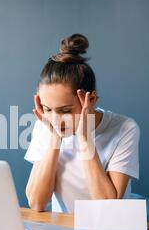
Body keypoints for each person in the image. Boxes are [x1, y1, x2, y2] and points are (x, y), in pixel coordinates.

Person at [24, 33, 140, 213]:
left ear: (91, 99)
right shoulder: (45, 126)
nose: (55, 120)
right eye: (47, 109)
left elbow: (108, 207)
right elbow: (37, 203)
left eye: (64, 111)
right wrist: (54, 141)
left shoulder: (124, 128)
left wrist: (84, 138)